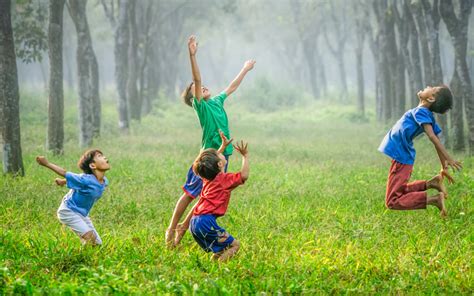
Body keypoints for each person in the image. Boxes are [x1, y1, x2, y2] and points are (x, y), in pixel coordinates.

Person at [166, 35, 255, 247]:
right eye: (196, 89)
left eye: (203, 86)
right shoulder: (201, 106)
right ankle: (171, 229)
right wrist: (192, 55)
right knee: (190, 194)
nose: (202, 87)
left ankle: (183, 229)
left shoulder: (216, 101)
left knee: (208, 195)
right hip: (207, 157)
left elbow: (231, 87)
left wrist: (244, 69)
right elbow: (196, 79)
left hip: (222, 155)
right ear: (193, 97)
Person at [378, 85, 462, 217]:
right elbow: (436, 139)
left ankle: (434, 200)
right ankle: (431, 184)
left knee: (392, 201)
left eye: (432, 88)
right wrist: (443, 166)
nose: (428, 86)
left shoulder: (421, 112)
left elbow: (433, 137)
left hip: (401, 157)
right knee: (400, 190)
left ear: (431, 98)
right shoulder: (425, 114)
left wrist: (448, 158)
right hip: (401, 156)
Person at [190, 139, 249, 262]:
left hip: (194, 222)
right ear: (220, 164)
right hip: (206, 223)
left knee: (222, 249)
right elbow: (244, 175)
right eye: (219, 154)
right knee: (235, 245)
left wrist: (222, 147)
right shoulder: (224, 179)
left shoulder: (207, 178)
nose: (221, 153)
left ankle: (213, 267)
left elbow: (209, 162)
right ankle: (220, 270)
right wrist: (245, 156)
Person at [36, 149, 110, 245]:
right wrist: (46, 163)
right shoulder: (85, 180)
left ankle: (86, 257)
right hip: (68, 211)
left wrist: (63, 181)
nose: (104, 157)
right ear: (92, 165)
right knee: (89, 238)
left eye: (103, 155)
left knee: (97, 243)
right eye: (99, 156)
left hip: (82, 214)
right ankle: (79, 258)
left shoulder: (104, 181)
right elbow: (65, 173)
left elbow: (78, 179)